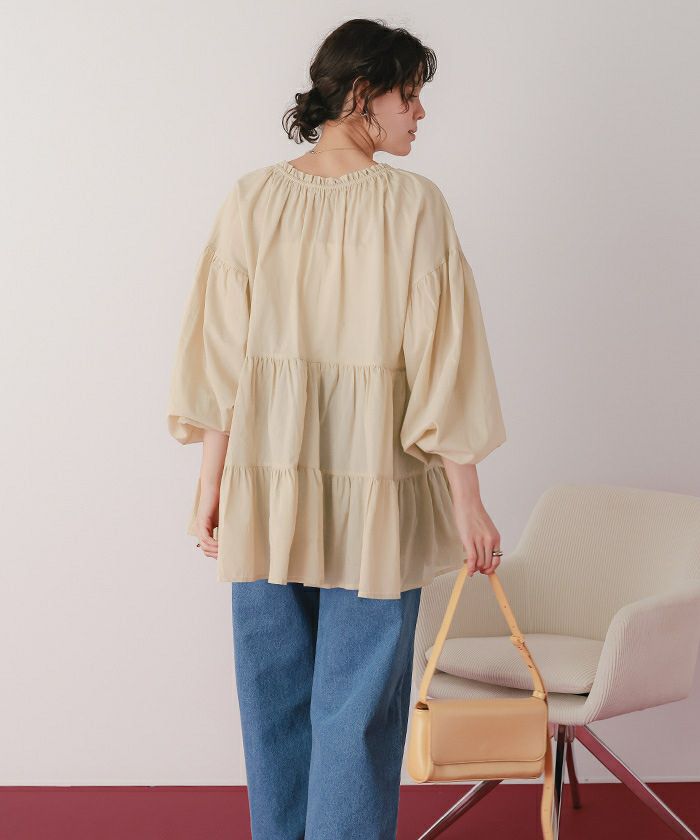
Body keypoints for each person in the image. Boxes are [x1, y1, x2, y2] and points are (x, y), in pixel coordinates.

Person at [166, 17, 507, 840]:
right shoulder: (413, 206)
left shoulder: (253, 199)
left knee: (273, 700)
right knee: (356, 711)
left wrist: (212, 482)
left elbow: (218, 356)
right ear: (362, 95)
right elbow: (445, 363)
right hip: (374, 491)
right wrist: (467, 500)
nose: (419, 112)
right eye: (409, 94)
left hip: (266, 485)